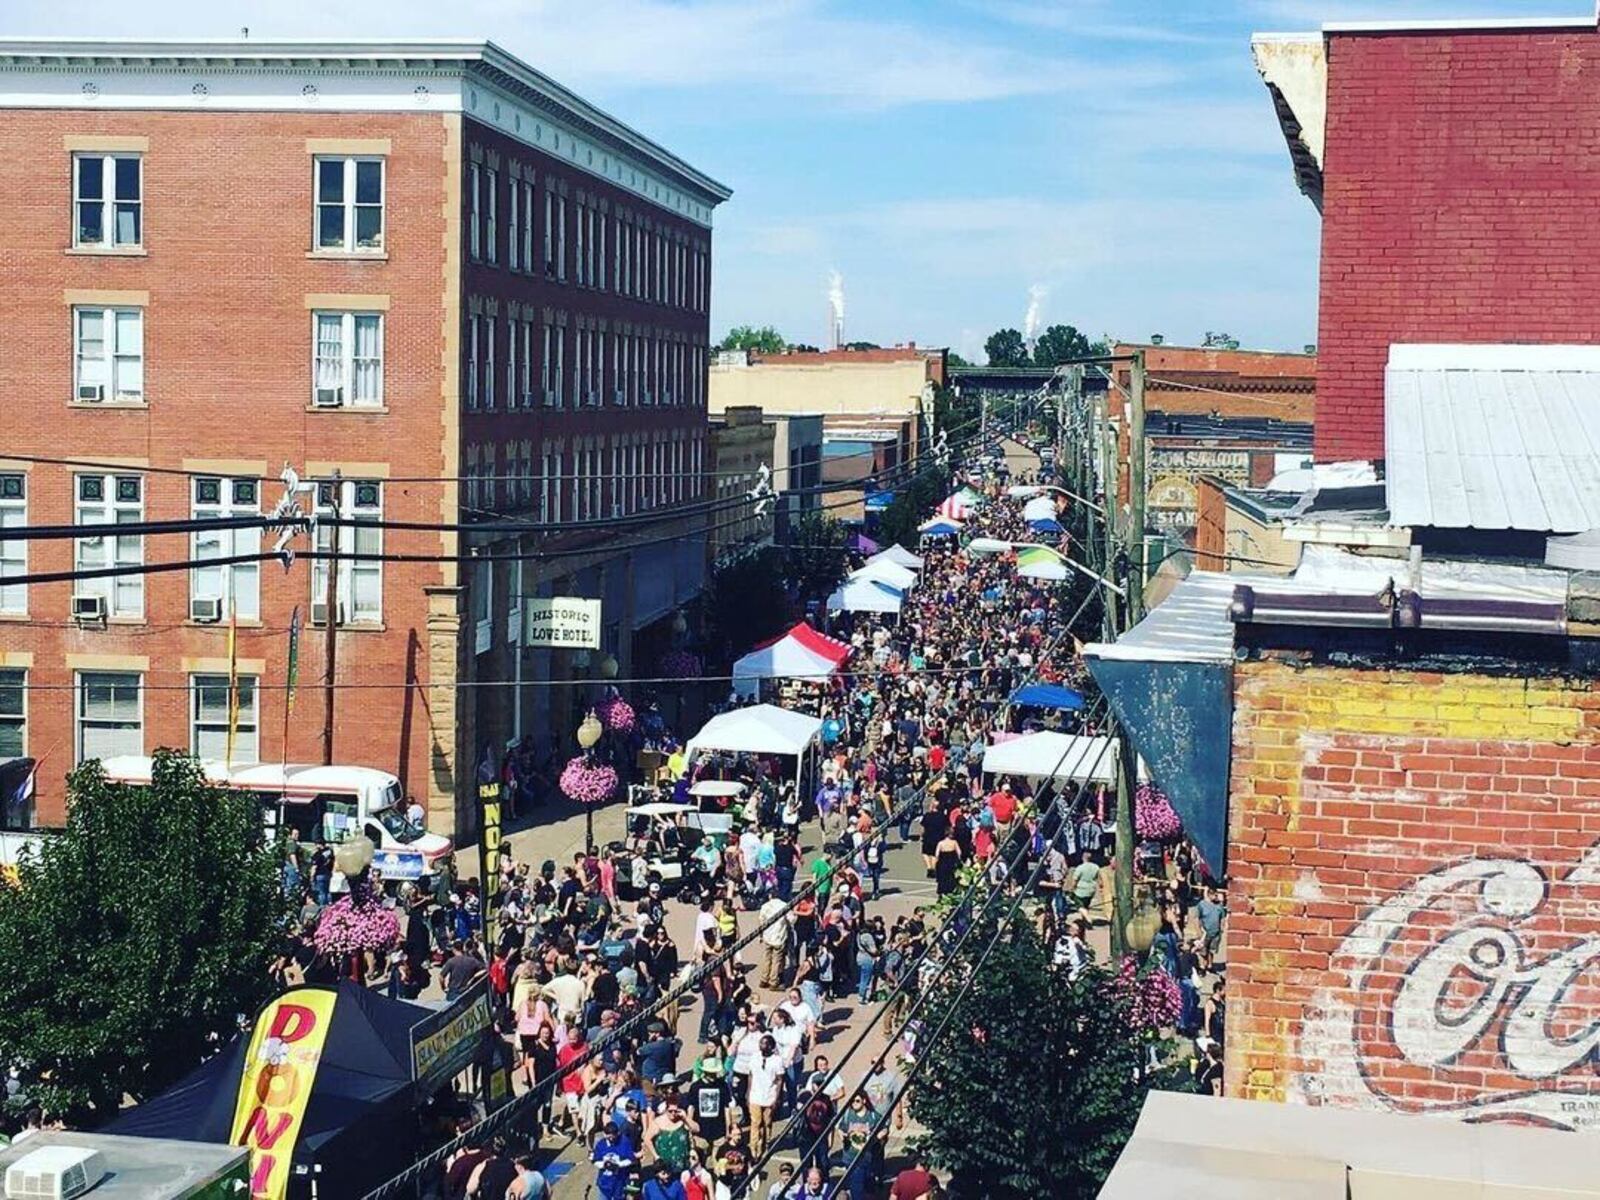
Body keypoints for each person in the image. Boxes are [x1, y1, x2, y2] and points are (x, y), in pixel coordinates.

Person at [746, 1033, 785, 1159]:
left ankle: (766, 1143)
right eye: (761, 1043)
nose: (762, 1046)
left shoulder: (777, 1060)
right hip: (755, 1095)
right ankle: (754, 1148)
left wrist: (777, 1097)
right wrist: (748, 1092)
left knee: (767, 1122)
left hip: (769, 1095)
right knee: (755, 1122)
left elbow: (779, 1079)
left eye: (765, 1043)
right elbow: (751, 1075)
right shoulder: (755, 1057)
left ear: (771, 1046)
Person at [593, 1121, 639, 1200]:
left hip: (620, 1181)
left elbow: (631, 1159)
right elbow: (595, 1160)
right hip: (605, 1182)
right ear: (604, 1134)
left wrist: (618, 1165)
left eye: (613, 1136)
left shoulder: (624, 1141)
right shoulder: (601, 1144)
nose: (611, 1139)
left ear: (617, 1133)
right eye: (608, 1136)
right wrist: (604, 1164)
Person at [758, 894, 790, 989]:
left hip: (767, 936)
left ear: (770, 896)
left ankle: (764, 979)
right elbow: (791, 919)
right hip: (779, 937)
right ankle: (773, 981)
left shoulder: (765, 906)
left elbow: (761, 920)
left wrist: (761, 934)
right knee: (776, 961)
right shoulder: (784, 905)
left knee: (766, 958)